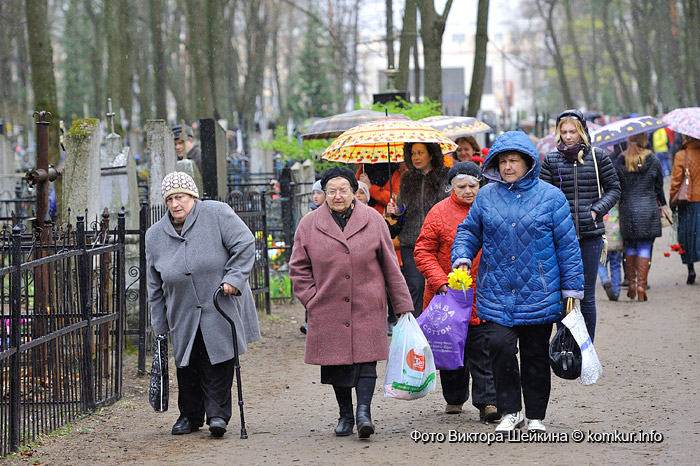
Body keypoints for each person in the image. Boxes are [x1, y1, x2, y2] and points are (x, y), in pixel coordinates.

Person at [451, 131, 584, 433]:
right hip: (496, 291)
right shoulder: (486, 196)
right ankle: (510, 411)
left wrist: (572, 291)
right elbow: (470, 232)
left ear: (528, 163)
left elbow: (568, 247)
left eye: (513, 161)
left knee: (535, 355)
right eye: (502, 161)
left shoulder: (552, 198)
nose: (507, 166)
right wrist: (461, 255)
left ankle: (536, 416)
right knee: (499, 348)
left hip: (539, 291)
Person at [289, 166, 413, 439]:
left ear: (354, 192)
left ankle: (363, 413)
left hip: (367, 302)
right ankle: (345, 414)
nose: (337, 196)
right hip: (328, 304)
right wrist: (311, 299)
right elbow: (298, 268)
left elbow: (390, 266)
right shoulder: (309, 225)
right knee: (337, 363)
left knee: (367, 361)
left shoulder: (373, 219)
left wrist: (402, 305)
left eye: (343, 190)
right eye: (331, 191)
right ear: (323, 193)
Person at [146, 172, 260, 438]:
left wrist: (233, 278)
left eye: (181, 197)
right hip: (182, 309)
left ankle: (218, 415)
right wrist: (160, 326)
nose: (176, 204)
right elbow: (153, 286)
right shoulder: (154, 235)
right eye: (170, 199)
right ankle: (189, 416)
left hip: (219, 302)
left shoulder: (216, 213)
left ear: (193, 197)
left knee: (218, 358)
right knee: (187, 363)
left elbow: (245, 244)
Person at [414, 162, 499, 423]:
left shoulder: (492, 209)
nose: (467, 191)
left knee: (482, 349)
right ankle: (454, 398)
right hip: (447, 295)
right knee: (451, 348)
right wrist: (440, 281)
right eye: (461, 186)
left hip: (483, 294)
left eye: (473, 185)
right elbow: (423, 251)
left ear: (480, 185)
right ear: (451, 186)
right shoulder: (438, 213)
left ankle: (488, 403)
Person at [540, 109, 620, 342]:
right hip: (558, 239)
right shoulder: (551, 160)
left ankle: (586, 347)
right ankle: (565, 344)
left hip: (590, 236)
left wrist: (596, 210)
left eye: (572, 131)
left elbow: (614, 189)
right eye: (563, 132)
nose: (568, 136)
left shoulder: (598, 157)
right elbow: (543, 196)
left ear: (582, 131)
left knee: (585, 296)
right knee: (561, 294)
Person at [387, 142, 450, 316]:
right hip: (411, 241)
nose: (415, 157)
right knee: (415, 286)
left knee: (438, 284)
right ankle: (416, 329)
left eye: (420, 152)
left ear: (431, 155)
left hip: (439, 242)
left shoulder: (445, 176)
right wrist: (395, 210)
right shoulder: (407, 178)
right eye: (413, 153)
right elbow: (401, 209)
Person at [613, 133, 666, 301]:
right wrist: (663, 205)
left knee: (630, 246)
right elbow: (659, 187)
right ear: (644, 141)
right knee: (644, 245)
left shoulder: (620, 161)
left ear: (629, 140)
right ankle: (642, 286)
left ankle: (631, 284)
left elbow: (615, 186)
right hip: (648, 208)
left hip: (628, 209)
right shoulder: (654, 160)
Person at [669, 134, 700, 285]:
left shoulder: (682, 155)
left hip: (688, 203)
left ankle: (691, 270)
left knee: (688, 236)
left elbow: (676, 180)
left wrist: (672, 199)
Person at [597, 202, 623, 301]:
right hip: (617, 242)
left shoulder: (600, 206)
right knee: (616, 265)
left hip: (604, 242)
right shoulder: (619, 207)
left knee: (601, 263)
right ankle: (616, 291)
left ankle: (605, 280)